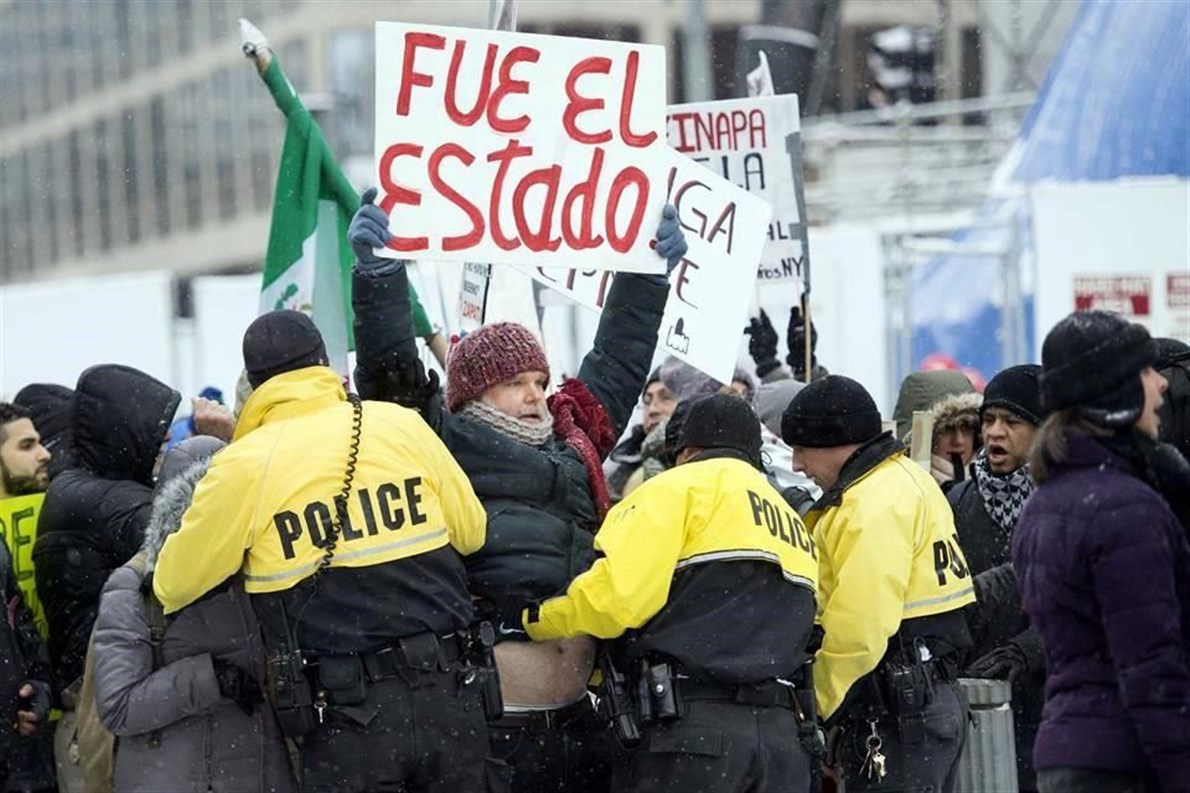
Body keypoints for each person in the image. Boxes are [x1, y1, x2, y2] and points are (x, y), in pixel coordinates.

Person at [349, 189, 686, 792]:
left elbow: (618, 360)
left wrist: (648, 275)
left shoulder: (574, 436)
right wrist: (378, 280)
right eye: (515, 384)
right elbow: (392, 377)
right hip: (495, 727)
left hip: (586, 722)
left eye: (539, 379)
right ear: (473, 395)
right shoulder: (441, 444)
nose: (536, 396)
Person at [152, 310, 491, 793]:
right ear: (325, 365)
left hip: (346, 720)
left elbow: (173, 583)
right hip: (451, 693)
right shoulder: (401, 425)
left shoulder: (241, 467)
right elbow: (472, 532)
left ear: (256, 383)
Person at [522, 394, 821, 793]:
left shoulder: (674, 489)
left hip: (692, 735)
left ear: (686, 452)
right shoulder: (791, 519)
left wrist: (538, 619)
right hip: (782, 745)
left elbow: (616, 601)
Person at [1013, 311, 1190, 793]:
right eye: (1146, 372)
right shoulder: (1125, 509)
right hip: (1126, 762)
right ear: (1117, 392)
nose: (1161, 386)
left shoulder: (1046, 502)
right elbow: (1151, 669)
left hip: (1071, 752)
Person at [781, 375, 975, 793]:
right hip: (926, 701)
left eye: (802, 449)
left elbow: (859, 630)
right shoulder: (907, 480)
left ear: (838, 441)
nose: (797, 464)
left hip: (899, 712)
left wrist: (812, 707)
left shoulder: (872, 503)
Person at [92, 436, 295, 793]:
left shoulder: (265, 567)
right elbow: (118, 707)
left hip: (262, 773)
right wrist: (210, 678)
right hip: (175, 777)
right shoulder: (134, 585)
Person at [32, 365, 180, 793]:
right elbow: (192, 537)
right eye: (156, 434)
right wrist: (226, 449)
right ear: (123, 432)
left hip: (105, 706)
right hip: (102, 714)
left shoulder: (86, 487)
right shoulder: (97, 497)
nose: (165, 445)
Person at [946, 364, 1045, 790]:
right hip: (981, 702)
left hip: (1052, 699)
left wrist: (1029, 649)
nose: (995, 433)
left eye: (1012, 421)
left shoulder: (1070, 499)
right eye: (988, 420)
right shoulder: (957, 501)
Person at [0, 404, 53, 792]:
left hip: (24, 753)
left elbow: (21, 627)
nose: (44, 453)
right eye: (27, 445)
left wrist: (38, 687)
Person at [605, 368, 675, 502]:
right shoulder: (620, 475)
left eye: (665, 397)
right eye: (647, 402)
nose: (652, 410)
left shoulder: (706, 463)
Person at [928, 391, 982, 488]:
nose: (958, 441)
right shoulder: (906, 482)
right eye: (947, 429)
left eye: (967, 427)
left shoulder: (994, 482)